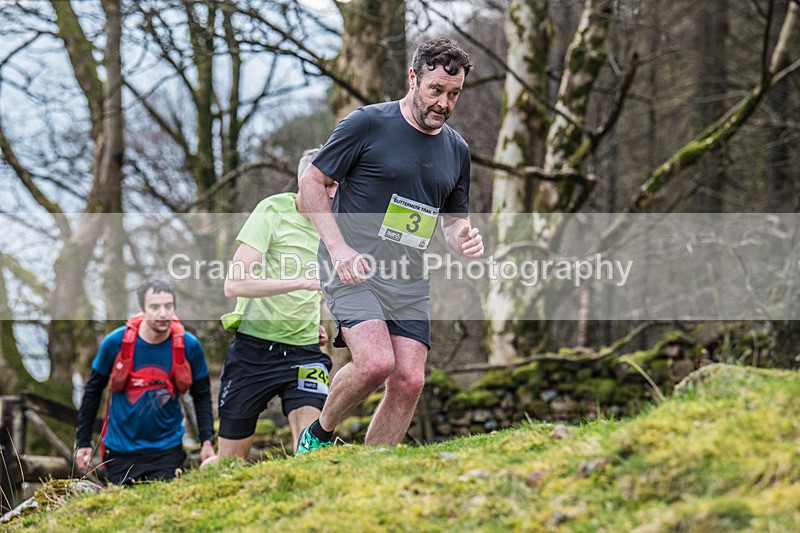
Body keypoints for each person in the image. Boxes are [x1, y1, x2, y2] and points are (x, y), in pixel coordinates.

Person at [296, 37, 484, 454]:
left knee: (410, 380)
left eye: (454, 94)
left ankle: (374, 467)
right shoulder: (367, 123)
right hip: (352, 266)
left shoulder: (457, 150)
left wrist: (463, 238)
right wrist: (338, 249)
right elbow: (311, 182)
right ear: (413, 78)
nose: (444, 103)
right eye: (436, 90)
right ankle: (318, 435)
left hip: (407, 276)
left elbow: (453, 221)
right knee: (376, 362)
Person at [209, 148, 338, 461]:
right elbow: (234, 284)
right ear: (303, 181)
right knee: (230, 464)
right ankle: (209, 468)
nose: (334, 194)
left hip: (305, 351)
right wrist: (302, 281)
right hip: (254, 351)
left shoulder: (335, 225)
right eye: (326, 184)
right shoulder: (272, 212)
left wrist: (316, 323)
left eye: (338, 185)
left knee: (310, 452)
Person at [75, 279, 215, 484]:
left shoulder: (188, 345)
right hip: (120, 451)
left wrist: (207, 441)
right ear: (142, 309)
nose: (163, 313)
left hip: (167, 450)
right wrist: (83, 441)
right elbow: (93, 391)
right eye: (155, 307)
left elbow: (201, 395)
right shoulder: (116, 343)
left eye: (168, 306)